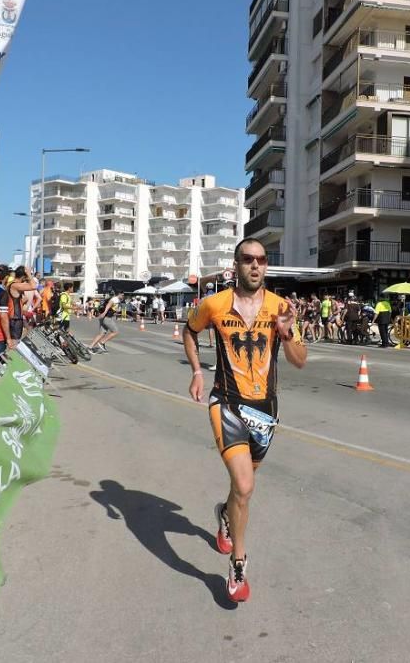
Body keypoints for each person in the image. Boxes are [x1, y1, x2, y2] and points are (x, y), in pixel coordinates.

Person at [183, 237, 306, 603]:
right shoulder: (214, 304)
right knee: (246, 486)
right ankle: (238, 563)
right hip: (228, 403)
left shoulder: (280, 307)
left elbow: (300, 359)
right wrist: (196, 371)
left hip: (265, 409)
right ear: (235, 265)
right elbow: (190, 332)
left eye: (262, 260)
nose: (256, 265)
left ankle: (224, 513)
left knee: (241, 490)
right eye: (248, 259)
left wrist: (287, 334)